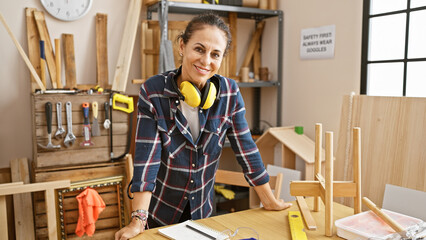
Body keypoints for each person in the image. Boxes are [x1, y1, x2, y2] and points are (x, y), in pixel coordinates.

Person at [115, 12, 292, 240]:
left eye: (215, 54)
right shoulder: (153, 92)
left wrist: (269, 200)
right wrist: (138, 220)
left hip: (204, 215)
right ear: (182, 46)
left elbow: (246, 149)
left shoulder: (229, 92)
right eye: (199, 49)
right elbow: (146, 160)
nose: (206, 61)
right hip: (161, 214)